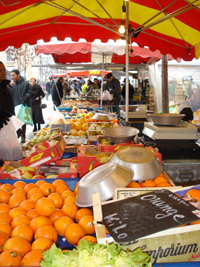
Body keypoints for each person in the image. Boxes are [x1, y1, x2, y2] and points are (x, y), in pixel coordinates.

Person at [0, 61, 22, 160]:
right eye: (0, 70)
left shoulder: (8, 89)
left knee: (11, 159)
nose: (3, 73)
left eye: (4, 70)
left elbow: (11, 111)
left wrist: (15, 126)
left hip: (8, 129)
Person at [10, 69, 33, 143]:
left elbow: (30, 92)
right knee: (15, 120)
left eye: (13, 75)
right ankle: (18, 131)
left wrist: (25, 97)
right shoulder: (13, 85)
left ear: (18, 75)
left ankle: (23, 136)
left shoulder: (26, 83)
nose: (12, 77)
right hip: (15, 105)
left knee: (23, 121)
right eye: (11, 75)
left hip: (23, 104)